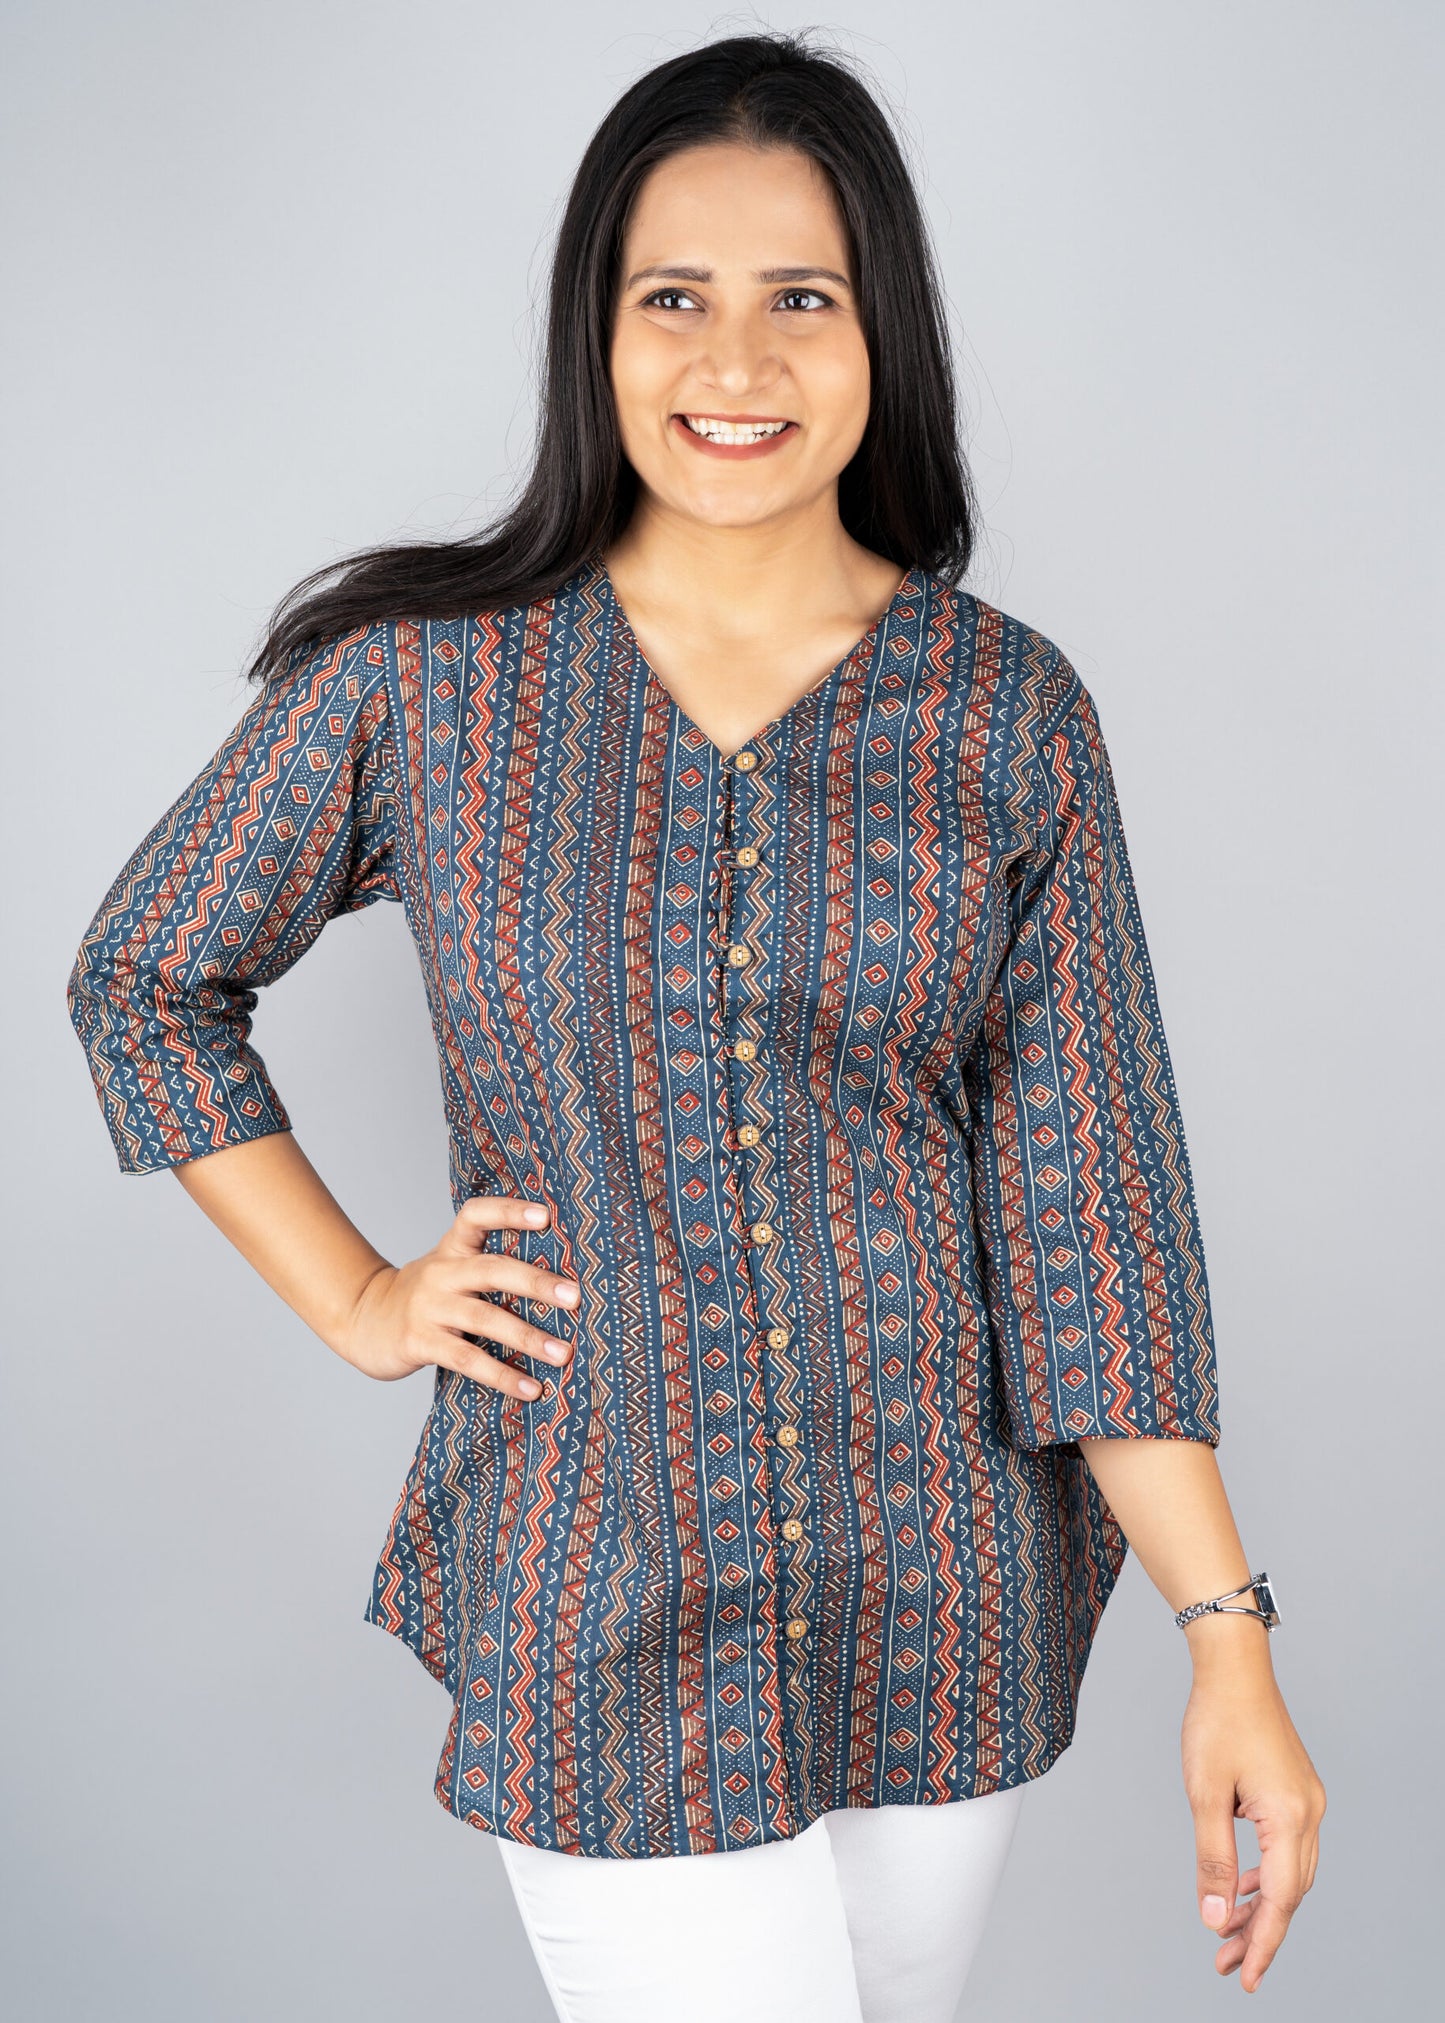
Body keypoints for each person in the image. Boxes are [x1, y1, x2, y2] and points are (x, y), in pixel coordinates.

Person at [64, 28, 1325, 2023]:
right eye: (677, 300)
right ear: (602, 330)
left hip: (944, 1607)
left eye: (798, 301)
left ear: (878, 334)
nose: (734, 365)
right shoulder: (425, 686)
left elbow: (1095, 1217)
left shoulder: (1007, 714)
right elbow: (145, 978)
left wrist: (1229, 1640)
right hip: (597, 1579)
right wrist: (360, 1297)